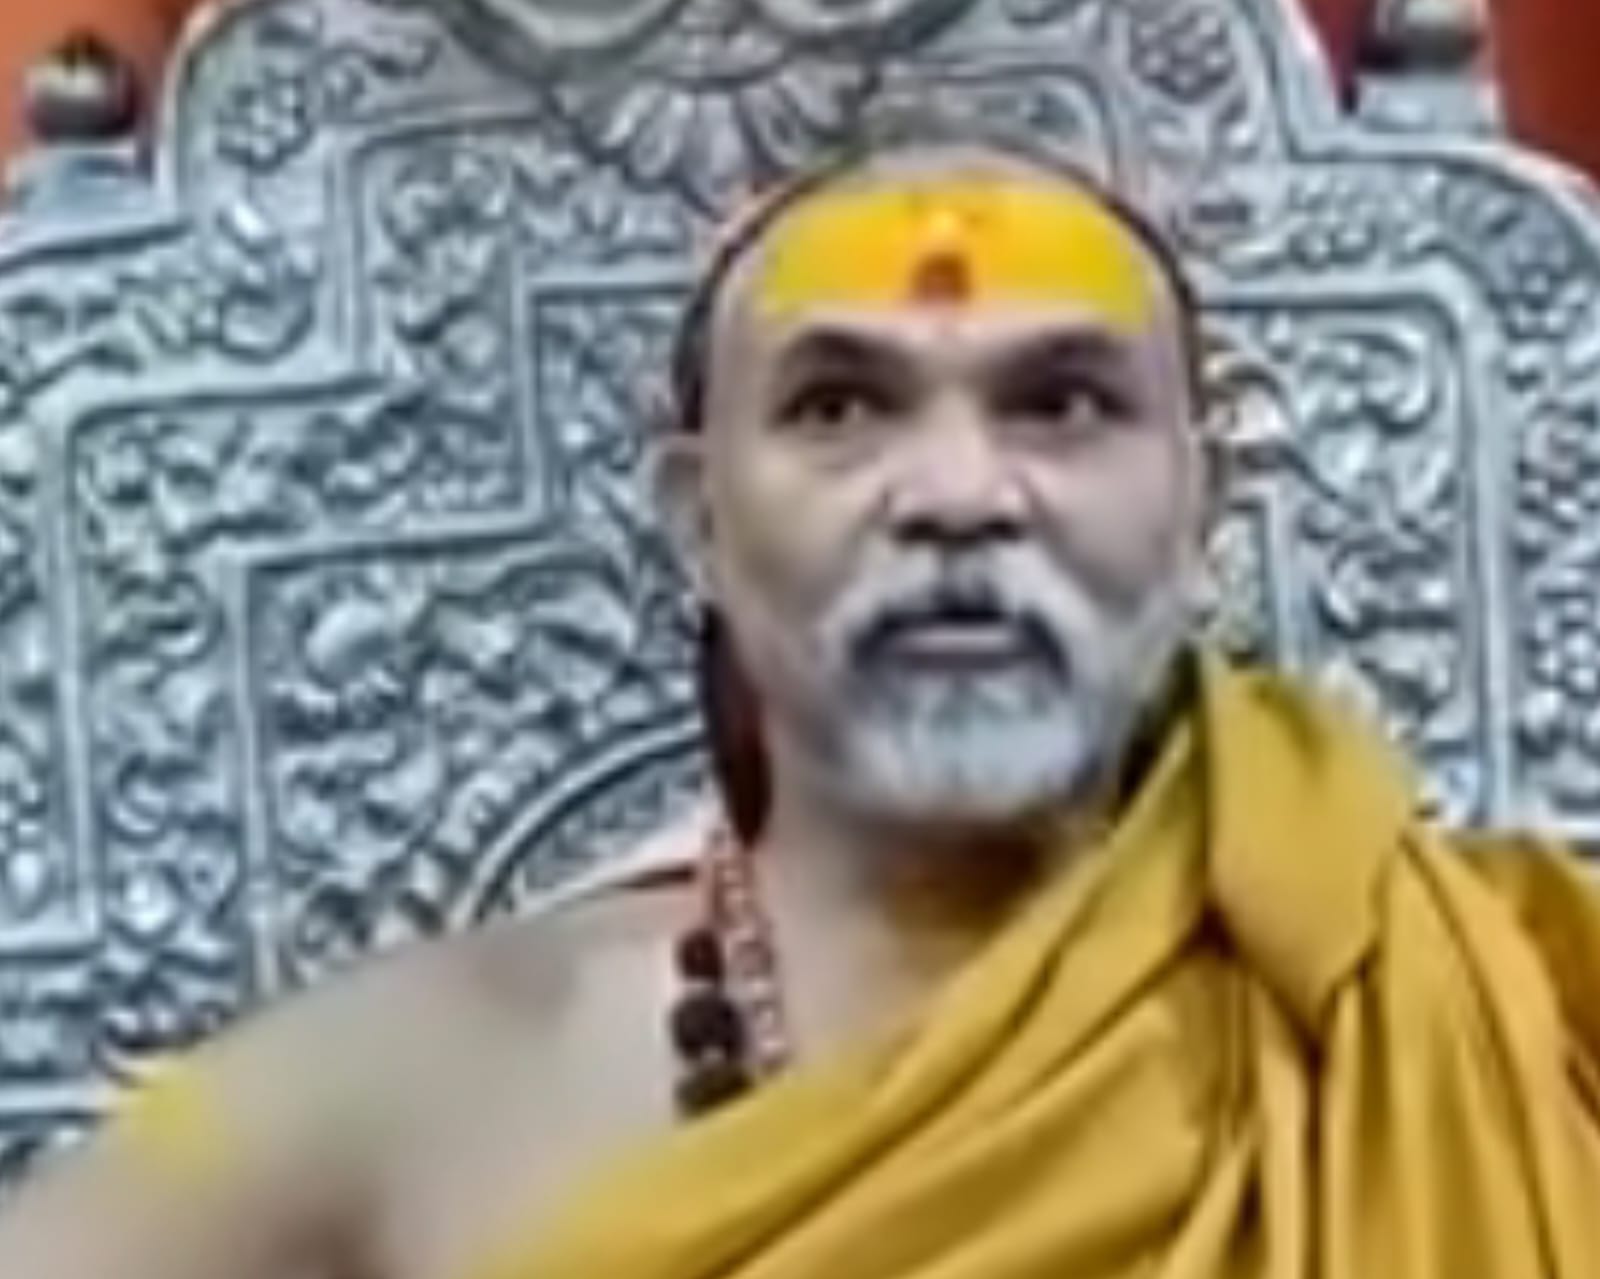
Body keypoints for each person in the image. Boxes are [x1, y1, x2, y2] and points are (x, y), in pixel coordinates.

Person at [4, 132, 1600, 1279]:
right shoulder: (427, 1079)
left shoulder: (1451, 1007)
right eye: (841, 407)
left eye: (1061, 403)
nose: (960, 493)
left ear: (1203, 507)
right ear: (698, 519)